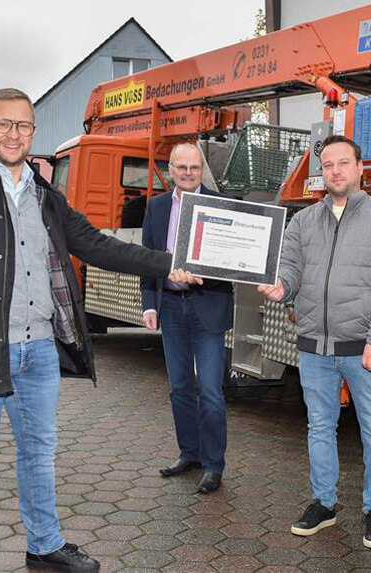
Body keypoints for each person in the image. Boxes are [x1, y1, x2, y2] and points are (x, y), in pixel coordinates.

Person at [0, 88, 200, 573]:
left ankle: (44, 545)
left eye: (23, 125)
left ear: (33, 132)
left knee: (39, 453)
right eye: (3, 123)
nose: (14, 134)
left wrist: (167, 264)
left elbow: (98, 245)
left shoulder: (45, 195)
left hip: (38, 350)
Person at [258, 135, 371, 549]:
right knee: (320, 427)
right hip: (314, 347)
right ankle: (324, 504)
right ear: (321, 173)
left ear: (360, 168)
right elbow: (290, 267)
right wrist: (282, 286)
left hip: (363, 349)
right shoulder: (304, 221)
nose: (336, 171)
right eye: (328, 165)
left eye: (344, 163)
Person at [140, 143, 234, 494]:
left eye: (194, 167)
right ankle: (190, 454)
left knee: (209, 390)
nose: (189, 173)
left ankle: (213, 465)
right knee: (180, 388)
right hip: (170, 307)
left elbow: (232, 261)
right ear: (171, 169)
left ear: (201, 170)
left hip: (207, 306)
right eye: (182, 167)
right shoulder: (157, 207)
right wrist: (150, 305)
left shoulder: (223, 205)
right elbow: (148, 259)